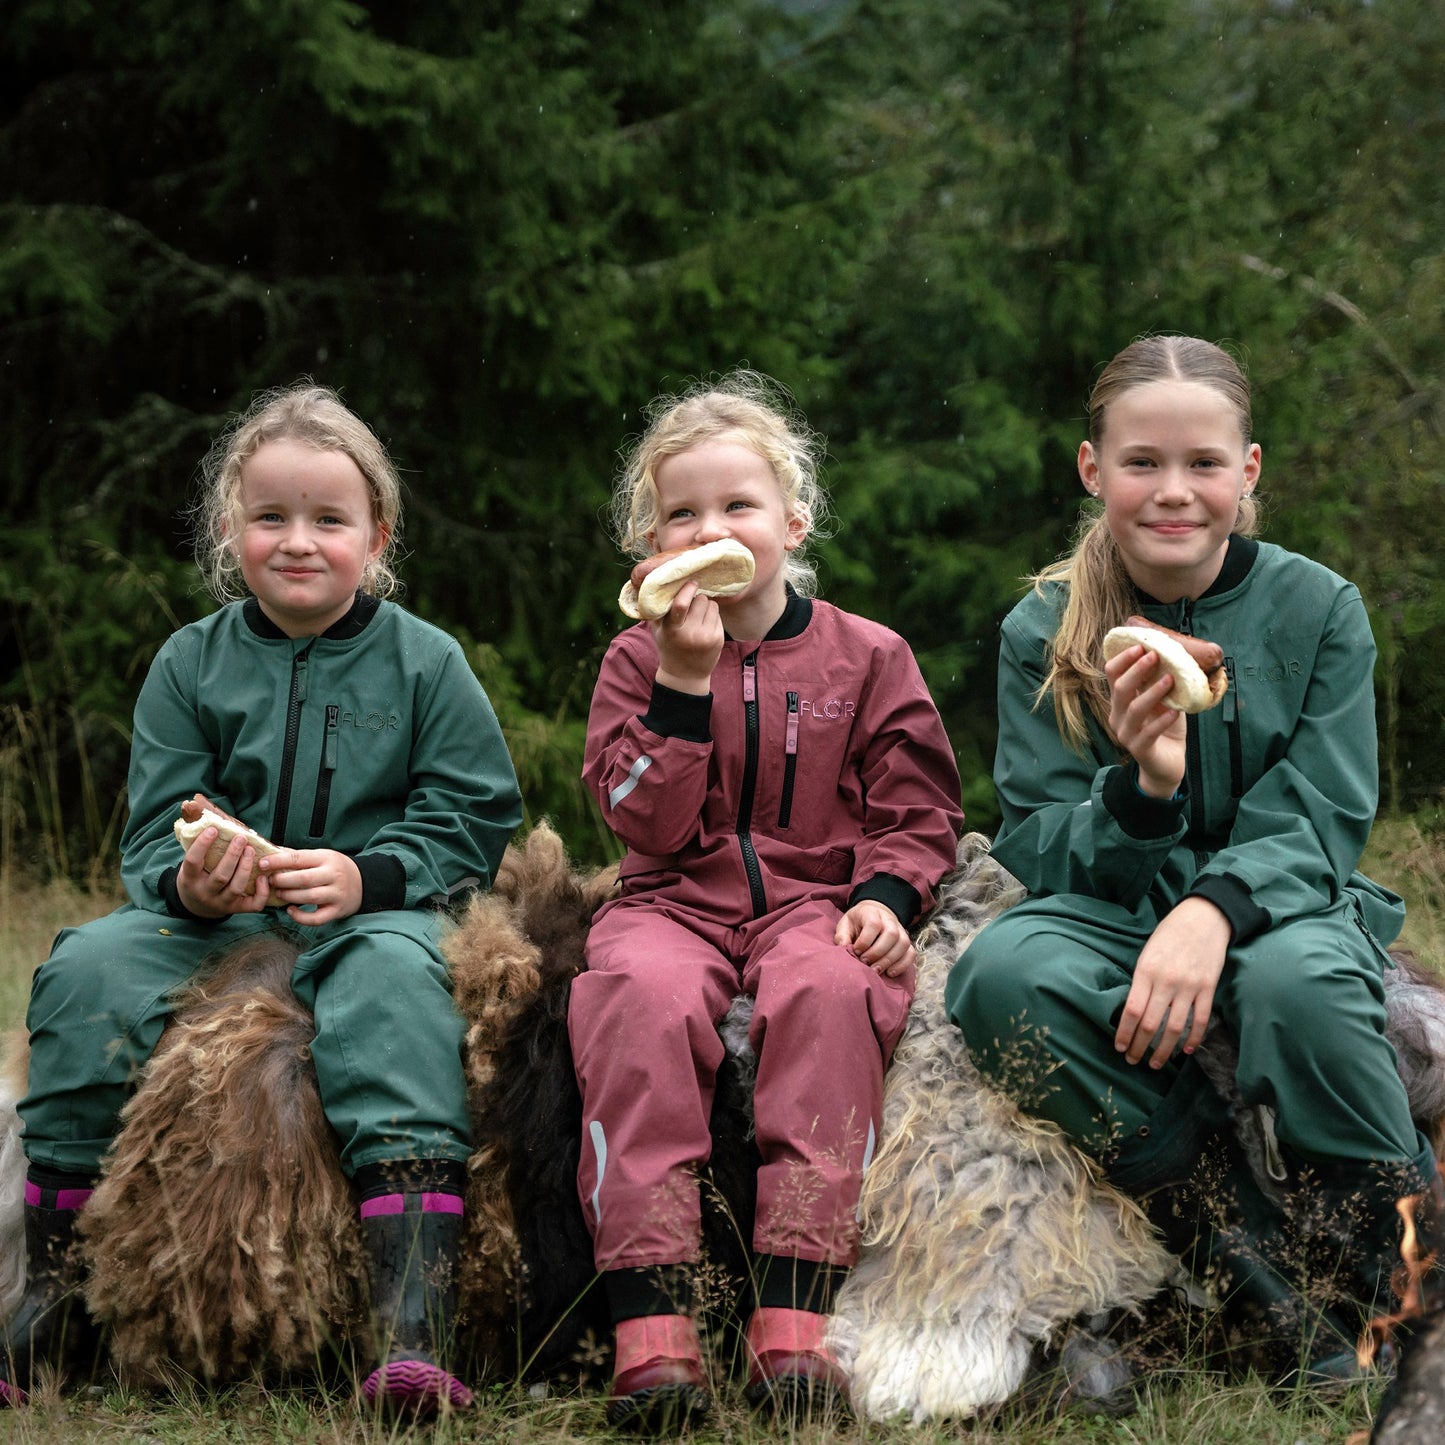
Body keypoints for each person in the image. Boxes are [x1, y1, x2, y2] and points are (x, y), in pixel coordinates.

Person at [3, 384, 522, 1414]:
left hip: (371, 912)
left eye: (328, 520)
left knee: (393, 989)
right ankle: (49, 1305)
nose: (297, 542)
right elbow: (154, 829)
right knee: (86, 968)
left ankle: (408, 1323)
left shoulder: (426, 663)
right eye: (269, 516)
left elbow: (474, 816)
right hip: (215, 920)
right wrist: (191, 878)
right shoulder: (191, 660)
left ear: (377, 534)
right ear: (227, 530)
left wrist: (366, 873)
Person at [946, 335, 1444, 1381]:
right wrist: (1144, 790)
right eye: (1140, 463)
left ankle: (1399, 1284)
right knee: (998, 971)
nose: (1172, 492)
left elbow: (1321, 809)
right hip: (1112, 912)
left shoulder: (1319, 610)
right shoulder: (1041, 628)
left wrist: (1213, 909)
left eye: (1202, 464)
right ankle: (1244, 1260)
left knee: (1300, 981)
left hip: (1287, 905)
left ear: (1246, 471)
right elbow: (1037, 838)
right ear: (1092, 471)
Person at [572, 371, 963, 1432]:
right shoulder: (633, 659)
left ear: (793, 519)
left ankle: (794, 1317)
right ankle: (650, 1328)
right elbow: (636, 823)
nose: (712, 528)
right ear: (646, 545)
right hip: (668, 903)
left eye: (737, 505)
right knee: (637, 1000)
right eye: (681, 513)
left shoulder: (868, 654)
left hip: (814, 902)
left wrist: (886, 892)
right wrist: (681, 685)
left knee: (833, 993)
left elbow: (917, 803)